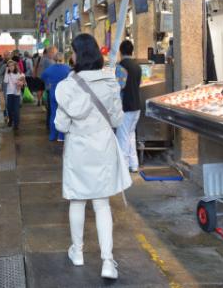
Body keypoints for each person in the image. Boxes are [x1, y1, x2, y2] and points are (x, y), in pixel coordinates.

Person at [54, 33, 129, 280]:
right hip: (103, 148)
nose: (71, 56)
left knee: (77, 200)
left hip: (78, 149)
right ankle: (107, 261)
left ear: (78, 55)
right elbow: (117, 119)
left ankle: (77, 252)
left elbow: (61, 125)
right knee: (101, 204)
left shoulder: (68, 86)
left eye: (73, 52)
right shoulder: (109, 82)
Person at [115, 40, 142, 172]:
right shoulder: (138, 66)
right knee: (131, 135)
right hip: (137, 105)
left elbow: (120, 86)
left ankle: (124, 166)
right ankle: (134, 164)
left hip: (125, 106)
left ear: (121, 52)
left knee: (123, 136)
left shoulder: (121, 66)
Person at [41, 52, 71, 141]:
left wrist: (48, 82)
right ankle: (61, 136)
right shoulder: (68, 68)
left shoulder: (50, 69)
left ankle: (52, 135)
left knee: (53, 114)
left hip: (53, 92)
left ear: (54, 59)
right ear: (63, 59)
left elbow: (42, 76)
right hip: (64, 93)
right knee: (63, 114)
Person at [3, 60, 25, 131]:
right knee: (9, 108)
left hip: (17, 94)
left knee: (16, 110)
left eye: (12, 66)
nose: (11, 67)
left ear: (15, 66)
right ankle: (11, 120)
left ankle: (16, 125)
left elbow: (23, 80)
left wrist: (21, 82)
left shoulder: (19, 73)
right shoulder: (8, 74)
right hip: (9, 93)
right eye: (9, 66)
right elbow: (5, 81)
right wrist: (6, 72)